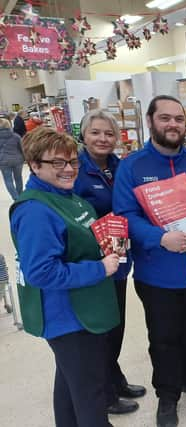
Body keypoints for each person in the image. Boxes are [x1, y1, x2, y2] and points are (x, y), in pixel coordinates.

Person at [113, 95, 186, 427]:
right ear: (150, 121)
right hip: (157, 273)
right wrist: (160, 238)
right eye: (165, 118)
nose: (173, 124)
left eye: (178, 118)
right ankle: (168, 395)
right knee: (163, 338)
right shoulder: (132, 167)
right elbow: (125, 216)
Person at [10, 127, 121, 427]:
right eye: (57, 163)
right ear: (34, 165)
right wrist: (100, 268)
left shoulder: (68, 198)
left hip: (84, 310)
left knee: (70, 386)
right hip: (70, 319)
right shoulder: (35, 211)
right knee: (90, 393)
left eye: (72, 161)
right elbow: (41, 271)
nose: (69, 169)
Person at [73, 109, 146, 416]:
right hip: (93, 264)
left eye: (109, 133)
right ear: (83, 135)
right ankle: (102, 393)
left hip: (119, 261)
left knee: (115, 326)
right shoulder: (75, 169)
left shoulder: (121, 168)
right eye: (95, 132)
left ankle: (114, 379)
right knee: (99, 331)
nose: (103, 139)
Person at [0, 118, 25, 200]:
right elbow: (22, 149)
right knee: (18, 178)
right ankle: (20, 195)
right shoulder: (16, 136)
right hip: (17, 160)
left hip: (3, 161)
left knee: (8, 180)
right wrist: (25, 158)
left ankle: (16, 198)